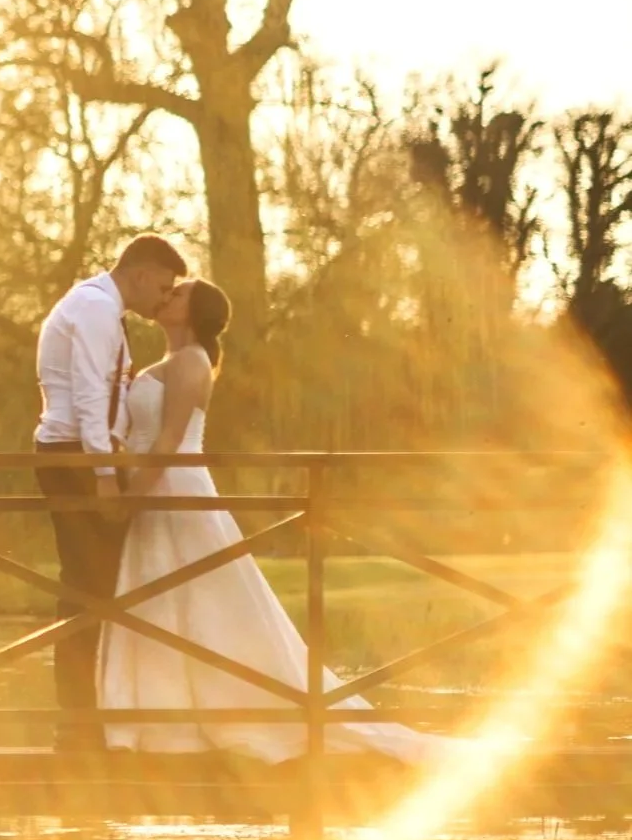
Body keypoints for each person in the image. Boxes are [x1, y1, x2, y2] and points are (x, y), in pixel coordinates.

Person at [98, 277, 445, 764]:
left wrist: (129, 498)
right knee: (161, 601)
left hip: (174, 491)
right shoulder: (167, 363)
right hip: (155, 491)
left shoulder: (192, 362)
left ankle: (216, 718)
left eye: (178, 294)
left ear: (193, 312)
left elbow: (169, 442)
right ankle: (161, 722)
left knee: (206, 602)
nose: (167, 294)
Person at [35, 234, 188, 754]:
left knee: (94, 587)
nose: (164, 300)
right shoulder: (97, 309)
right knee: (85, 587)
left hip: (81, 453)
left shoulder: (100, 306)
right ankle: (77, 724)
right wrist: (103, 471)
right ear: (141, 274)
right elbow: (88, 393)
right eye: (163, 288)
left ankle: (86, 719)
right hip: (76, 456)